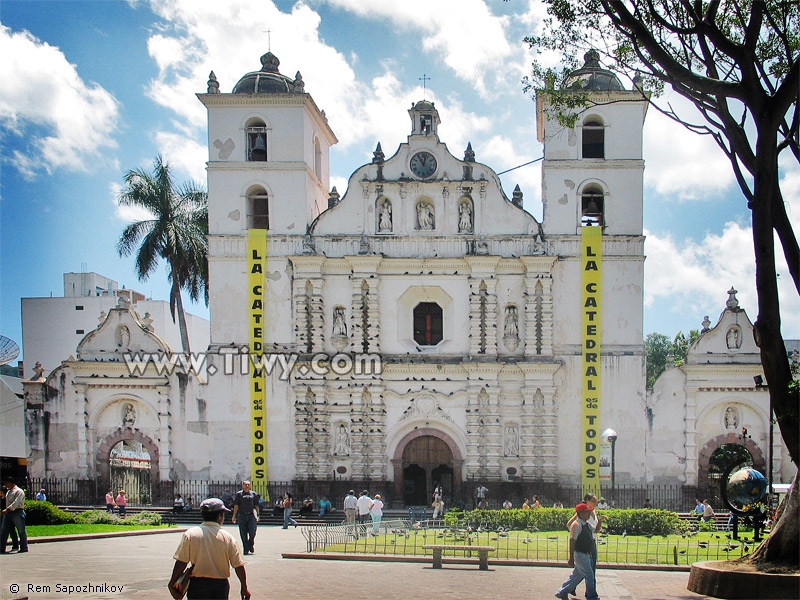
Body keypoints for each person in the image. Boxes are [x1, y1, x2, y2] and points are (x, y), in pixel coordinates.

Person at [168, 498, 250, 600]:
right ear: (220, 516)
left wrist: (172, 582)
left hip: (197, 586)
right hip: (219, 586)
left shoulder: (191, 534)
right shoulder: (227, 537)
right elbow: (238, 565)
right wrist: (244, 587)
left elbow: (181, 562)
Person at [554, 503, 599, 600]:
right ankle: (592, 597)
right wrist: (571, 557)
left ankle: (562, 592)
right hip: (580, 554)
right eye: (587, 512)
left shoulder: (586, 525)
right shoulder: (577, 525)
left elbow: (596, 531)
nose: (589, 514)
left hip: (585, 554)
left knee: (576, 576)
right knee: (589, 575)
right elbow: (572, 540)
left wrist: (601, 521)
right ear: (581, 514)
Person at [567, 493, 608, 573]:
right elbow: (569, 524)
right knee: (588, 570)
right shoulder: (582, 513)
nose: (595, 503)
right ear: (587, 501)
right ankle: (591, 583)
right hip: (585, 542)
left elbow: (595, 528)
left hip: (592, 541)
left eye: (596, 501)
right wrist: (580, 534)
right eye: (593, 501)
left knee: (587, 569)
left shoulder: (593, 511)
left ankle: (571, 585)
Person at [232, 481, 260, 555]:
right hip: (242, 515)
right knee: (243, 533)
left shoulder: (253, 494)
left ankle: (251, 544)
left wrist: (258, 514)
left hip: (251, 515)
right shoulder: (239, 494)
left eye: (248, 484)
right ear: (242, 485)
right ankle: (245, 548)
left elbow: (256, 505)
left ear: (250, 486)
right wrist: (234, 516)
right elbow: (236, 505)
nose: (247, 486)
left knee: (253, 532)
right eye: (245, 484)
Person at [0, 477, 28, 554]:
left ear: (11, 483)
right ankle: (2, 547)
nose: (5, 485)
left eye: (6, 483)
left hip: (17, 512)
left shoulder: (19, 491)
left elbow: (16, 502)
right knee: (4, 530)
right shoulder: (9, 491)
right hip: (8, 513)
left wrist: (7, 509)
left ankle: (24, 547)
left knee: (21, 530)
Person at [0, 487, 19, 552]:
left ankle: (15, 545)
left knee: (10, 531)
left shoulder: (7, 499)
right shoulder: (3, 499)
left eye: (1, 492)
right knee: (5, 532)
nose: (0, 494)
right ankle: (2, 547)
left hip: (8, 515)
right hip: (4, 516)